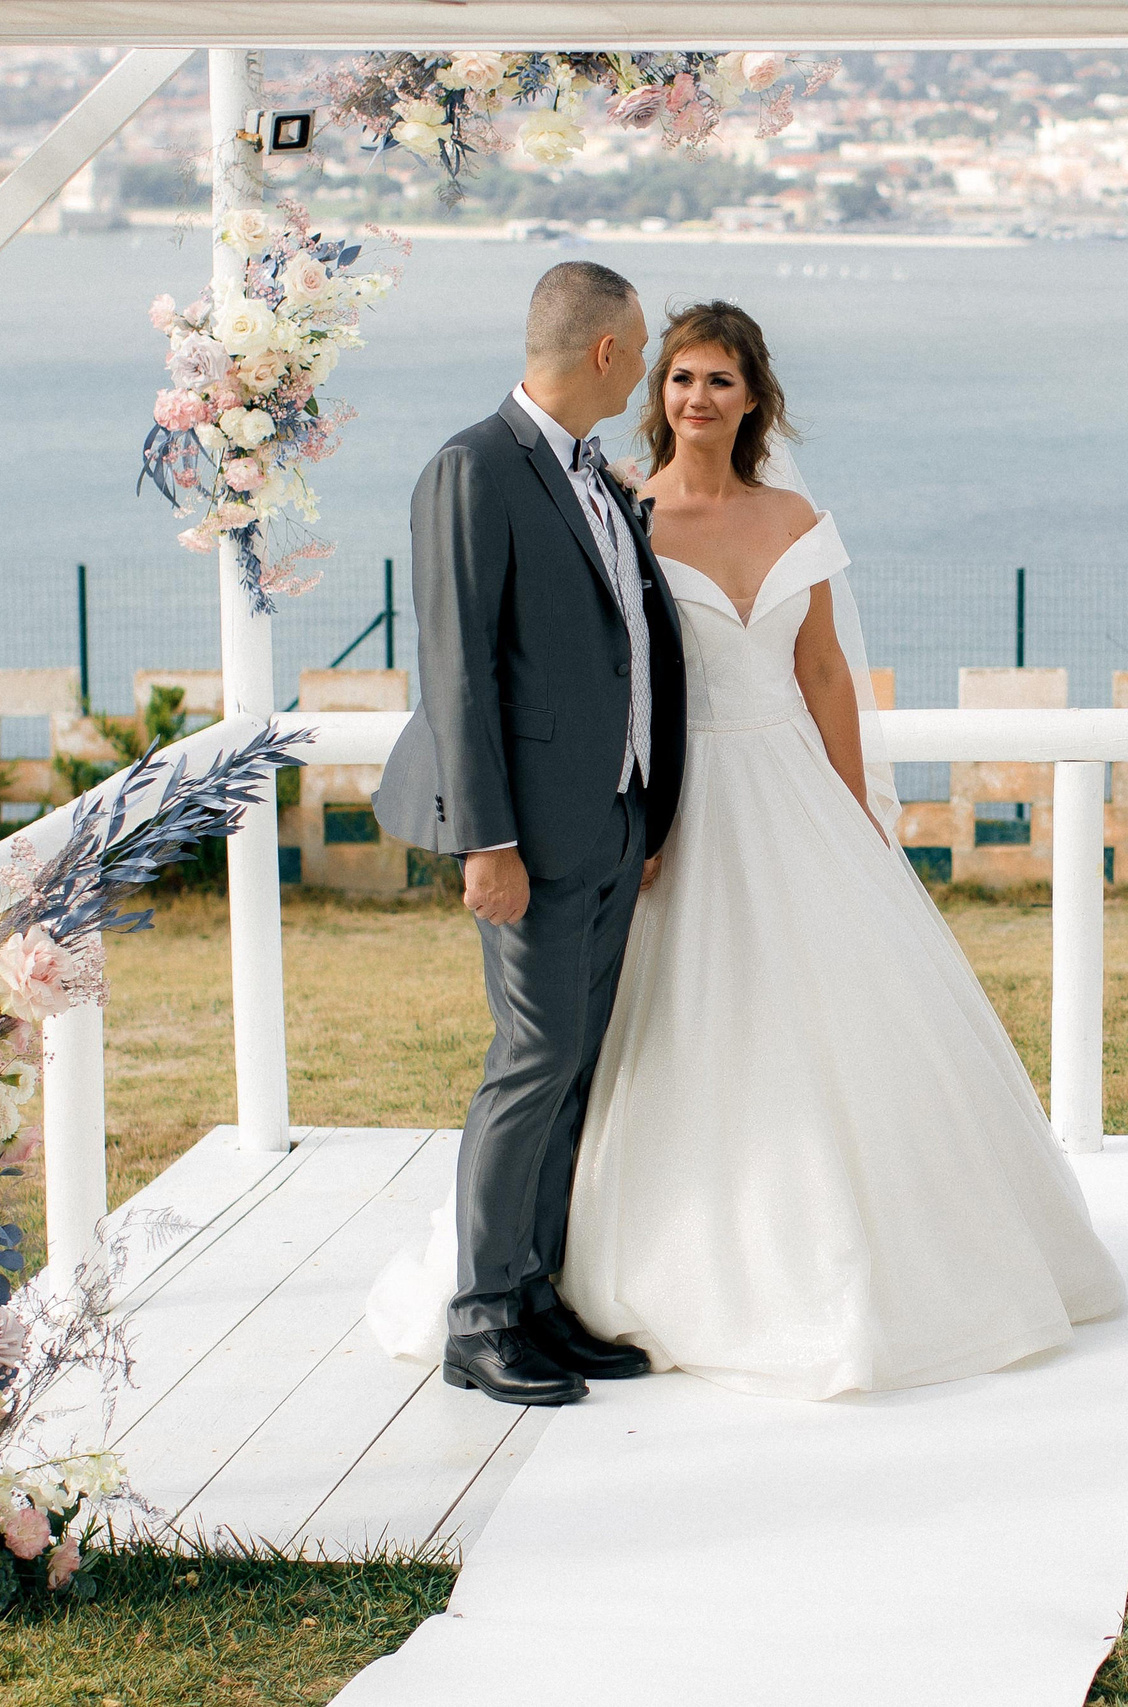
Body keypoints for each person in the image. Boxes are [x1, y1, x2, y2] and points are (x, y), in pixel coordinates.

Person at [370, 300, 1122, 1400]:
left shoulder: (774, 514)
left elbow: (822, 671)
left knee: (769, 1030)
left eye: (719, 379)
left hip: (780, 790)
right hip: (661, 807)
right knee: (574, 1050)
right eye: (678, 375)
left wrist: (858, 810)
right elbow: (564, 668)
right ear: (647, 380)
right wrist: (589, 819)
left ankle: (554, 1291)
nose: (694, 396)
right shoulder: (617, 504)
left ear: (754, 396)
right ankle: (508, 1296)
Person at [373, 261, 685, 1408]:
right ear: (604, 351)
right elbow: (456, 668)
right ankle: (481, 1316)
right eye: (639, 349)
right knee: (532, 1059)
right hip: (528, 837)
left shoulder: (595, 476)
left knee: (576, 1062)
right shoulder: (475, 467)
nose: (644, 370)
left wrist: (648, 806)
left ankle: (536, 1294)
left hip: (613, 816)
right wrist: (486, 842)